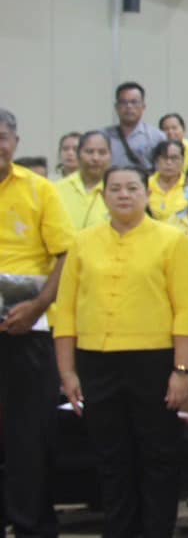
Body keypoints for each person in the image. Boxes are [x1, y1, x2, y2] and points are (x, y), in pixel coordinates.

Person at [54, 164, 188, 538]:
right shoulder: (83, 242)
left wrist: (182, 370)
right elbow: (66, 310)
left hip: (154, 362)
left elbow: (187, 309)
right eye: (115, 188)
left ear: (147, 194)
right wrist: (68, 371)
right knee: (111, 458)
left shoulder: (172, 240)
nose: (123, 195)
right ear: (103, 196)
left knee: (158, 456)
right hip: (97, 361)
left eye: (132, 188)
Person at [0, 108, 75, 537]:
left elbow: (66, 254)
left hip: (28, 327)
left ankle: (30, 524)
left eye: (2, 137)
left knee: (30, 432)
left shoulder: (40, 190)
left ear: (15, 142)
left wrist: (38, 306)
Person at [57, 129, 112, 230]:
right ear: (78, 155)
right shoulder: (56, 189)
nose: (95, 158)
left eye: (102, 152)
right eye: (89, 152)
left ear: (111, 156)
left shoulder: (118, 191)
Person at [104, 81, 166, 171]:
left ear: (143, 107)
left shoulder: (157, 137)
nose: (129, 106)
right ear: (116, 107)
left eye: (134, 102)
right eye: (123, 102)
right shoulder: (104, 136)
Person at [147, 138, 188, 221]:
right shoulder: (146, 184)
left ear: (183, 160)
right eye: (164, 158)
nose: (169, 162)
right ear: (156, 160)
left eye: (174, 158)